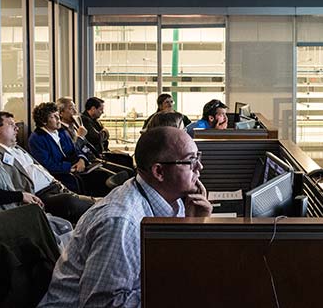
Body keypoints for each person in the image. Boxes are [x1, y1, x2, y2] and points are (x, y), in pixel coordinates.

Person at [38, 127, 212, 307]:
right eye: (191, 160)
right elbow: (102, 305)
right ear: (159, 172)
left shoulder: (171, 200)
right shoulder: (122, 222)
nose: (200, 167)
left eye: (198, 157)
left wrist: (194, 225)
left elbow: (170, 263)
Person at [0, 111, 96, 224]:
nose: (17, 128)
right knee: (74, 202)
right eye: (11, 125)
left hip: (55, 185)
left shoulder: (18, 148)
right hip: (39, 194)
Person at [29, 102, 112, 196]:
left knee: (104, 176)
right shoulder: (37, 138)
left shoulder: (61, 132)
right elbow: (46, 164)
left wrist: (81, 159)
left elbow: (75, 149)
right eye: (54, 117)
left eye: (58, 116)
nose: (58, 120)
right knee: (97, 182)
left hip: (77, 168)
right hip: (61, 175)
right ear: (44, 121)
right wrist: (70, 167)